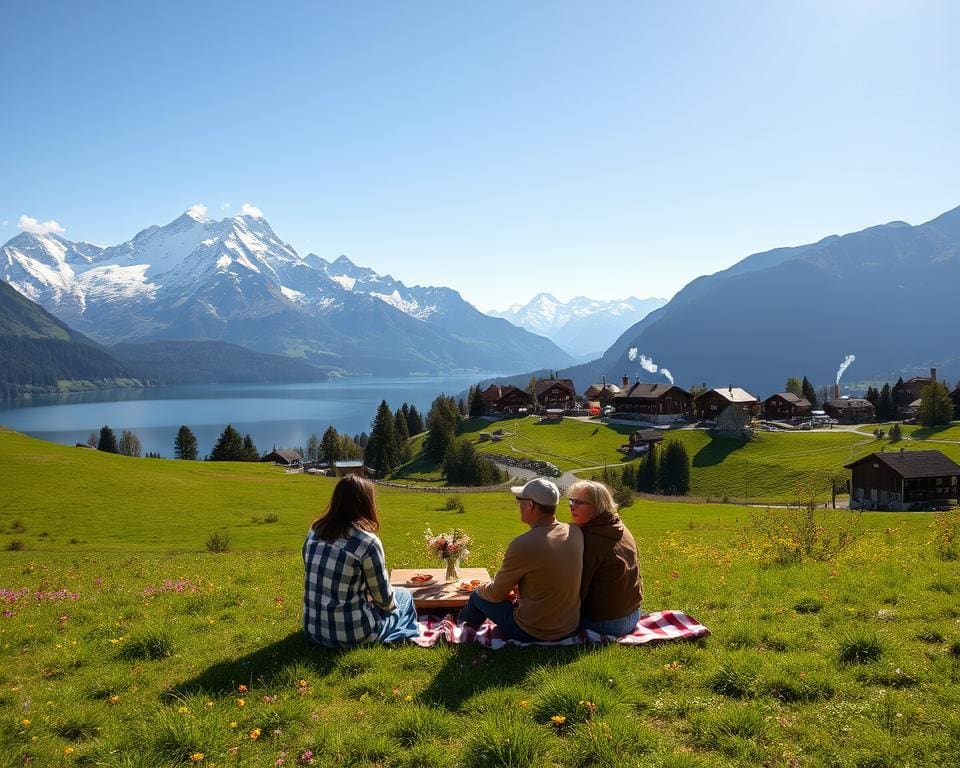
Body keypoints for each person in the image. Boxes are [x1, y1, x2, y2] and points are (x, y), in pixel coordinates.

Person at [460, 477, 583, 641]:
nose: (518, 505)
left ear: (530, 505)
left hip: (533, 631)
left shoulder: (523, 544)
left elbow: (496, 594)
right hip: (570, 626)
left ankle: (462, 625)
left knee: (477, 596)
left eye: (520, 501)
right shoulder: (575, 532)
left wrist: (482, 588)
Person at [302, 474, 419, 647]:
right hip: (352, 635)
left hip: (312, 630)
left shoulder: (314, 530)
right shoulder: (367, 543)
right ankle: (402, 635)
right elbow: (385, 601)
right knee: (404, 596)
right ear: (365, 504)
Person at [566, 480, 643, 636]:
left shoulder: (589, 539)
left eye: (579, 502)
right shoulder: (616, 525)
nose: (571, 506)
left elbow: (575, 590)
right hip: (633, 615)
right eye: (571, 500)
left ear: (597, 507)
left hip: (606, 624)